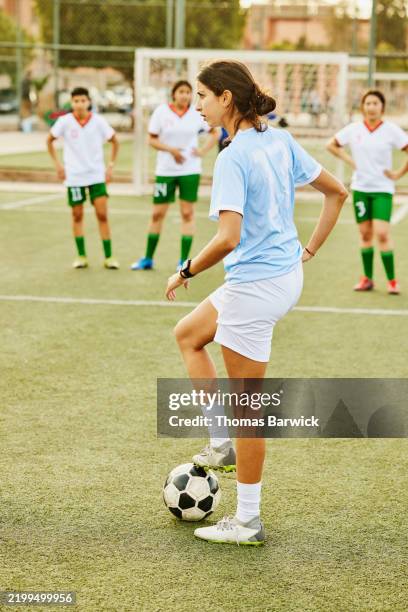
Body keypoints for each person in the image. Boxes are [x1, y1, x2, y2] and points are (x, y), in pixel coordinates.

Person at [165, 60, 347, 546]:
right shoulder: (280, 140)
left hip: (254, 287)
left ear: (226, 98)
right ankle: (219, 440)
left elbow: (228, 238)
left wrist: (185, 271)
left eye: (202, 96)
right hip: (282, 277)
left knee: (249, 408)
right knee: (188, 334)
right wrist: (307, 252)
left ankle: (247, 520)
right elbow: (337, 193)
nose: (198, 105)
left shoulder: (232, 156)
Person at [131, 80, 219, 271]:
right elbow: (152, 140)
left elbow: (215, 133)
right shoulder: (161, 113)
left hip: (190, 170)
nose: (185, 95)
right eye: (181, 91)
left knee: (187, 213)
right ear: (174, 94)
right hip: (165, 171)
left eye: (188, 92)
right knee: (157, 214)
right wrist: (171, 150)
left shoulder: (197, 114)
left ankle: (183, 261)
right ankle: (147, 258)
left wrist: (202, 152)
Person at [327, 90, 408, 294]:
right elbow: (331, 145)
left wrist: (398, 174)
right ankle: (367, 279)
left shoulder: (391, 130)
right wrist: (350, 161)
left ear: (382, 107)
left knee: (381, 234)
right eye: (368, 103)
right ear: (363, 107)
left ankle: (392, 281)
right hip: (360, 189)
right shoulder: (354, 129)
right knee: (365, 234)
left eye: (375, 103)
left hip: (382, 190)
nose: (371, 107)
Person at [46, 87, 120, 269]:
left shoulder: (98, 122)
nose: (79, 104)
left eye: (83, 101)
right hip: (75, 177)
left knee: (102, 215)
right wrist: (58, 165)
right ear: (71, 103)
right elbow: (49, 140)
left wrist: (110, 166)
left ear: (88, 102)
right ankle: (81, 256)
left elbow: (115, 141)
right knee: (77, 215)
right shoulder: (64, 121)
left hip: (96, 175)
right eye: (76, 101)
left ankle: (109, 257)